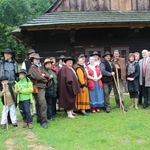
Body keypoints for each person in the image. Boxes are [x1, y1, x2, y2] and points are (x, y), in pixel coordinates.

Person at [29, 53, 51, 128]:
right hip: (37, 87)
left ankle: (39, 119)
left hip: (41, 87)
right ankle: (43, 121)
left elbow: (48, 74)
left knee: (39, 104)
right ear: (33, 60)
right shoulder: (32, 68)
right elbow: (38, 77)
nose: (37, 60)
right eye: (36, 59)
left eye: (38, 59)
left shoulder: (40, 67)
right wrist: (45, 79)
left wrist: (45, 76)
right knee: (42, 104)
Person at [0, 48, 18, 124]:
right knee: (5, 101)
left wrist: (16, 81)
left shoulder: (14, 63)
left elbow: (16, 73)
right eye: (5, 53)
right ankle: (6, 119)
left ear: (11, 55)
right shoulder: (1, 63)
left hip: (12, 84)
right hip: (3, 84)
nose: (6, 55)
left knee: (13, 100)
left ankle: (12, 119)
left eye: (8, 53)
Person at [22, 49, 36, 116]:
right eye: (31, 54)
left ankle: (35, 110)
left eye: (33, 53)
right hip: (29, 81)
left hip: (36, 81)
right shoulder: (25, 62)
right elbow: (23, 71)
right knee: (30, 97)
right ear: (29, 55)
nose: (33, 55)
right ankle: (30, 111)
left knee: (36, 95)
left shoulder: (36, 61)